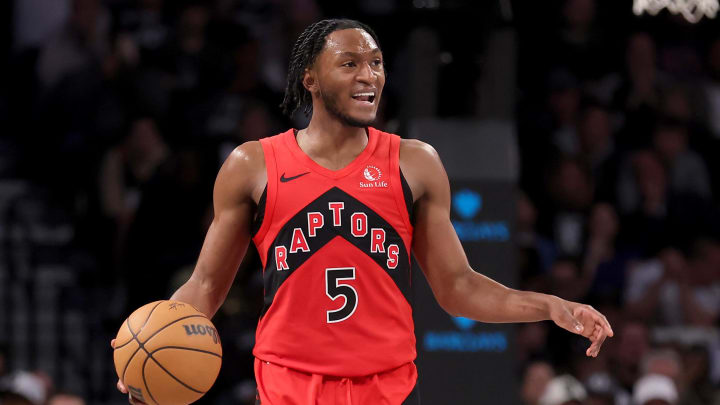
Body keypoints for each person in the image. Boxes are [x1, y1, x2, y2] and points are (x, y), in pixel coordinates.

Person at [113, 18, 613, 404]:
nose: (368, 74)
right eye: (349, 63)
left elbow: (457, 288)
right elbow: (204, 287)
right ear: (309, 77)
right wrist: (150, 350)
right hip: (290, 384)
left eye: (375, 63)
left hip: (386, 386)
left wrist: (549, 306)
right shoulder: (254, 164)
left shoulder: (413, 162)